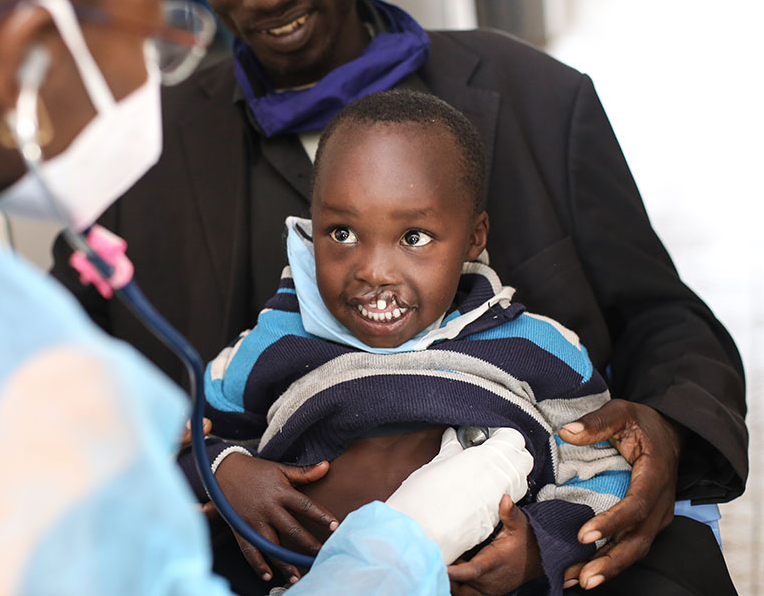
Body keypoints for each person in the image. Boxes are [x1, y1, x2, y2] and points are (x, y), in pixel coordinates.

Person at [0, 0, 532, 593]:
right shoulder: (18, 377)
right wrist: (407, 543)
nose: (157, 76)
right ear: (28, 57)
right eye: (149, 38)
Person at [49, 0, 747, 593]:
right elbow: (50, 366)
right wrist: (207, 463)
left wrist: (668, 433)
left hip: (521, 547)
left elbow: (666, 321)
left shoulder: (538, 99)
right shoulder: (137, 154)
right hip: (255, 562)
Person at [183, 89, 632, 595]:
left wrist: (540, 548)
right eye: (343, 233)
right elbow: (182, 436)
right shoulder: (277, 339)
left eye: (413, 237)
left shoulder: (541, 350)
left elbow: (604, 473)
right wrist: (226, 473)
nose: (373, 271)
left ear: (473, 237)